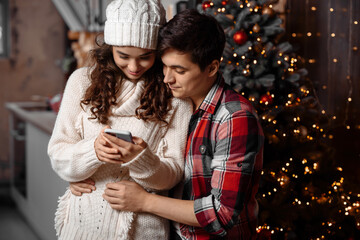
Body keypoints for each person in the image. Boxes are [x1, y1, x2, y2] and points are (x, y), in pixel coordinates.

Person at [73, 9, 265, 239]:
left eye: (179, 70)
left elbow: (221, 214)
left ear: (212, 68)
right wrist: (87, 179)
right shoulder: (170, 101)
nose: (167, 78)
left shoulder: (234, 118)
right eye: (164, 66)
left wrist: (145, 201)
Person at [47, 0, 193, 239]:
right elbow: (58, 155)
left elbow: (174, 175)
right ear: (110, 46)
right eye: (123, 55)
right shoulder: (82, 82)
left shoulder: (175, 97)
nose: (134, 66)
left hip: (143, 230)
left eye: (146, 56)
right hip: (82, 224)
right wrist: (91, 152)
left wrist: (141, 160)